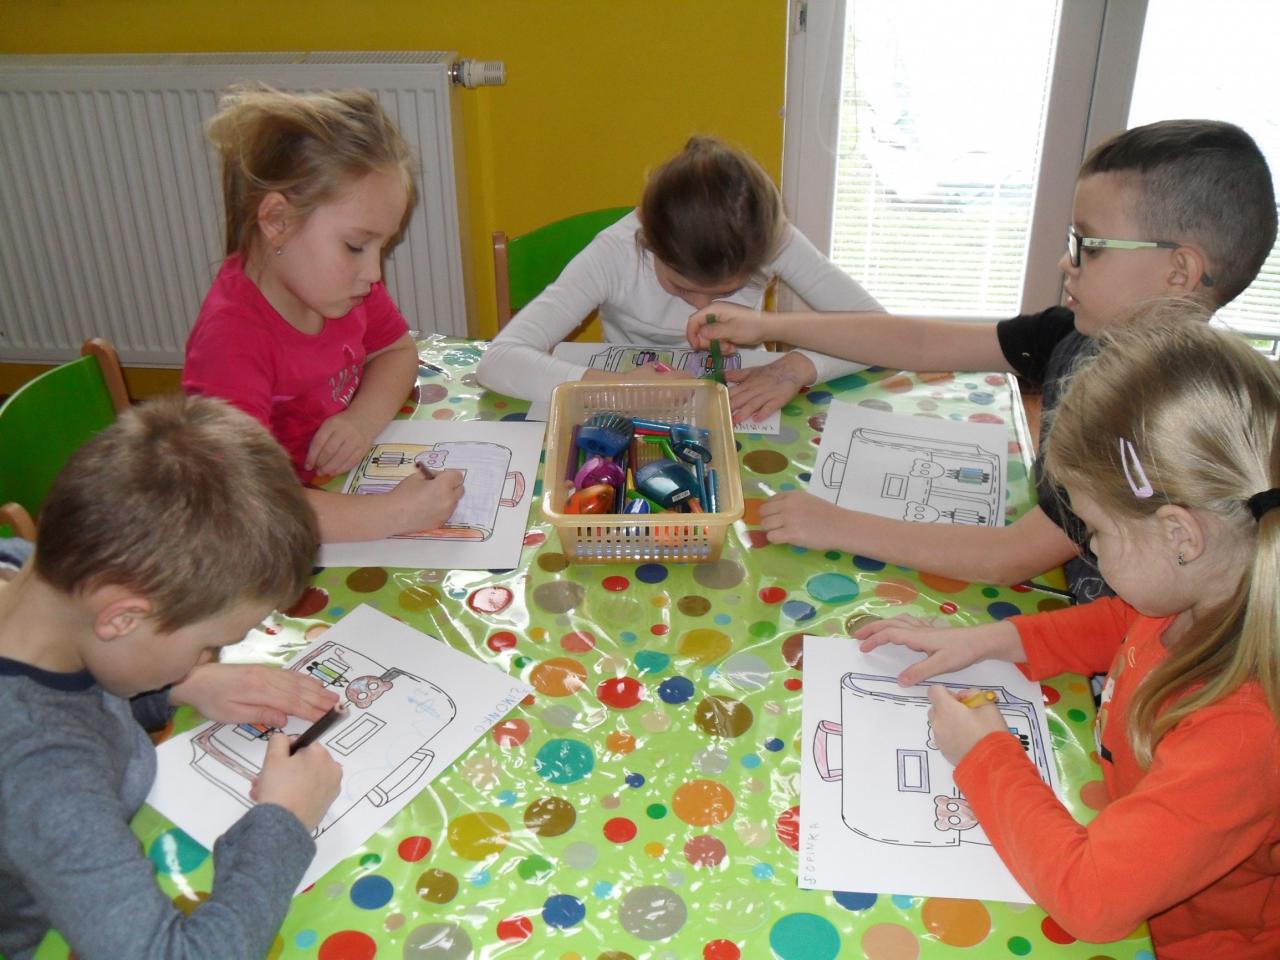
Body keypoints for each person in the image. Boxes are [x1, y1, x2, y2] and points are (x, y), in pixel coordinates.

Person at [686, 119, 1276, 601]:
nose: (1066, 263)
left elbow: (1008, 557)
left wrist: (835, 523)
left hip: (1099, 643)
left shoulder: (1156, 420)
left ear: (1179, 271)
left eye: (1088, 246)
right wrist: (769, 326)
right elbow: (923, 344)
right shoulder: (1079, 335)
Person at [855, 309, 1280, 958]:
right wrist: (991, 642)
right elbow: (1124, 623)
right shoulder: (1204, 594)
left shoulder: (1245, 733)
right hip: (1127, 851)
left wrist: (984, 753)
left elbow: (1093, 900)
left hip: (1190, 940)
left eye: (1096, 530)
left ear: (1180, 535)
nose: (1089, 549)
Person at [0, 394, 343, 959]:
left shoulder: (24, 572)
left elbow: (65, 687)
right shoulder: (44, 774)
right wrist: (284, 822)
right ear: (123, 618)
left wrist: (181, 686)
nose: (208, 658)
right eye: (207, 645)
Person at [184, 84, 464, 543]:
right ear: (277, 221)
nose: (373, 273)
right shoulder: (230, 342)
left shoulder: (344, 289)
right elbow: (241, 501)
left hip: (340, 490)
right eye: (355, 246)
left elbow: (396, 351)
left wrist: (362, 419)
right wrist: (395, 514)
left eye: (381, 248)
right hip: (271, 537)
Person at [475, 136, 883, 421]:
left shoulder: (775, 240)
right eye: (682, 287)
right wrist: (619, 389)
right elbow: (498, 360)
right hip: (632, 401)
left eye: (727, 291)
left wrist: (796, 367)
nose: (702, 311)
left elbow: (879, 332)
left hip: (744, 399)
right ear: (648, 242)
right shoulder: (616, 252)